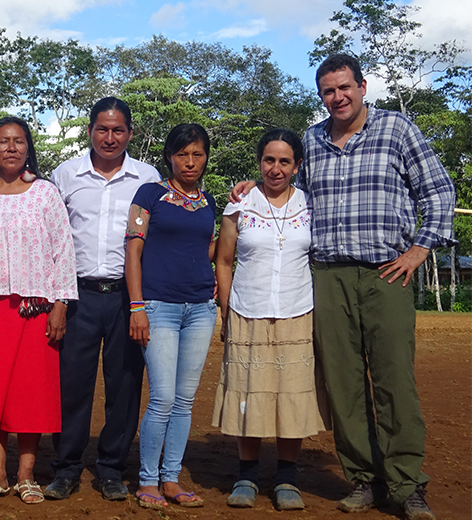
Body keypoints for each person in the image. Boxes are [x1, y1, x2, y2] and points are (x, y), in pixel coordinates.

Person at [229, 54, 455, 520]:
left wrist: (419, 250)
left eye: (345, 87)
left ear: (363, 85)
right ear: (321, 95)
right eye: (328, 91)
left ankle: (407, 484)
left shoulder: (397, 129)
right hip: (326, 278)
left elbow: (439, 191)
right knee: (343, 384)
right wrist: (252, 186)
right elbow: (285, 185)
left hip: (385, 273)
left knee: (394, 380)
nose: (338, 97)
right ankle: (364, 479)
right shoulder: (311, 140)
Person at [0, 116, 77, 504]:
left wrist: (60, 303)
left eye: (18, 141)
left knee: (28, 393)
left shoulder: (45, 194)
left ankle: (26, 475)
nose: (11, 147)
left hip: (32, 309)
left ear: (28, 148)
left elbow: (63, 250)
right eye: (3, 141)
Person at [46, 97, 160, 501]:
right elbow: (51, 238)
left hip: (126, 299)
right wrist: (57, 298)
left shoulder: (147, 179)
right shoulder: (65, 175)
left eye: (117, 130)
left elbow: (167, 227)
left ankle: (112, 467)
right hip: (77, 296)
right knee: (71, 385)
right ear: (90, 130)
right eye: (101, 129)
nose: (109, 138)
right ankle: (66, 466)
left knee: (125, 386)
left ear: (130, 133)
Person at [212, 129, 330, 511]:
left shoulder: (312, 205)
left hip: (298, 312)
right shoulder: (239, 205)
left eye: (284, 161)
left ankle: (287, 476)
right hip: (248, 311)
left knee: (291, 394)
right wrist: (227, 311)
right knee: (250, 392)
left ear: (297, 166)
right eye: (268, 160)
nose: (275, 169)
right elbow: (224, 261)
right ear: (259, 162)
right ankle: (246, 473)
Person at [125, 123, 217, 510]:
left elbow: (208, 247)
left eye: (197, 154)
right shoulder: (149, 194)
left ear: (206, 157)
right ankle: (147, 480)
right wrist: (137, 305)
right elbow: (132, 251)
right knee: (162, 398)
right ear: (169, 157)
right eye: (182, 154)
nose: (190, 162)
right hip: (158, 307)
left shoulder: (210, 201)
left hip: (200, 310)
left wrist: (206, 277)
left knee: (184, 400)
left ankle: (171, 478)